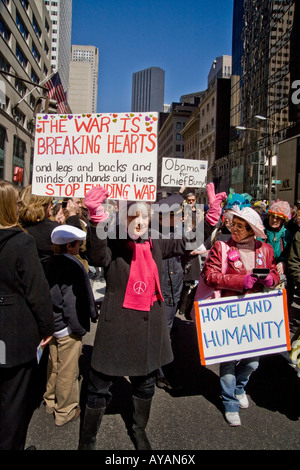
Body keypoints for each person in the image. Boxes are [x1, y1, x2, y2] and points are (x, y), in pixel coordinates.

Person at [78, 186, 188, 450]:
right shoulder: (113, 241)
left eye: (144, 216)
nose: (139, 222)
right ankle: (88, 440)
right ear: (123, 218)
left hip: (149, 326)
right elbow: (96, 255)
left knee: (145, 383)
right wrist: (96, 218)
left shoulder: (156, 240)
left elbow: (186, 242)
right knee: (98, 387)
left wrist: (209, 219)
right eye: (132, 217)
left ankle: (139, 429)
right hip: (117, 326)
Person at [202, 205, 280, 426]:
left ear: (252, 230)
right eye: (232, 224)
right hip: (229, 311)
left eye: (240, 226)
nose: (234, 229)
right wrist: (239, 282)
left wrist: (271, 280)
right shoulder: (222, 247)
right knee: (227, 362)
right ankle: (229, 403)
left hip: (254, 314)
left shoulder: (265, 250)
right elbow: (210, 275)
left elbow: (274, 272)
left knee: (253, 362)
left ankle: (238, 387)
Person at [0, 180, 54, 450]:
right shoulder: (22, 242)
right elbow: (37, 292)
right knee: (13, 403)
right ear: (12, 206)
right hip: (13, 334)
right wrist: (47, 328)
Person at [43, 225, 98, 427]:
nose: (80, 247)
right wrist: (78, 328)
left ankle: (50, 400)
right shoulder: (73, 266)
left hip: (53, 324)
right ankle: (65, 410)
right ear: (69, 246)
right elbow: (72, 302)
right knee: (68, 370)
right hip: (67, 327)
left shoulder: (49, 262)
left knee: (54, 364)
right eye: (78, 244)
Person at [18, 185, 59, 270]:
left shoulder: (14, 226)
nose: (52, 206)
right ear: (45, 205)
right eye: (51, 202)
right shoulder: (54, 229)